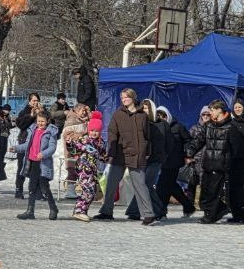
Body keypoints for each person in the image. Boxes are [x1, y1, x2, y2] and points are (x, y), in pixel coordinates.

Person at [96, 88, 154, 223]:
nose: (124, 100)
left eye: (126, 97)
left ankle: (148, 214)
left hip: (137, 154)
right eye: (122, 98)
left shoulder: (142, 116)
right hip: (120, 154)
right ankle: (106, 211)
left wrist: (147, 151)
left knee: (140, 185)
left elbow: (147, 136)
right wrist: (111, 153)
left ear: (133, 97)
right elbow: (112, 134)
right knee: (111, 184)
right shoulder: (118, 115)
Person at [15, 108, 60, 220]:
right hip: (32, 162)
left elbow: (52, 147)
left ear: (48, 121)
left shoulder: (50, 132)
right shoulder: (33, 130)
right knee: (32, 186)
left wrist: (43, 154)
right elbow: (27, 145)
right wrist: (16, 148)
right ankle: (30, 211)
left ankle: (53, 208)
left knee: (44, 187)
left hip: (43, 164)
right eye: (38, 121)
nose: (40, 123)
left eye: (42, 121)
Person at [67, 110, 106, 221]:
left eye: (96, 131)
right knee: (88, 190)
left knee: (92, 191)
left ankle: (83, 210)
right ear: (89, 130)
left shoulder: (100, 142)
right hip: (83, 168)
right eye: (92, 130)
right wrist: (69, 143)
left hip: (93, 169)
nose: (94, 133)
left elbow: (102, 155)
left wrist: (110, 158)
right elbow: (74, 151)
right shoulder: (84, 140)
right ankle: (79, 211)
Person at [155, 106, 193, 216]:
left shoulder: (178, 127)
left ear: (168, 116)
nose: (162, 118)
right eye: (159, 116)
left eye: (164, 116)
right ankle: (188, 206)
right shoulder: (158, 127)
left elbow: (188, 141)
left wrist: (187, 154)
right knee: (170, 185)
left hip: (175, 161)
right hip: (163, 160)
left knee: (163, 186)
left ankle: (161, 210)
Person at [13, 93, 43, 199]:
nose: (35, 103)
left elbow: (49, 122)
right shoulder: (25, 111)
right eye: (33, 100)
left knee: (37, 168)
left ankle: (37, 191)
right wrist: (31, 116)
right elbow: (20, 124)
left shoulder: (42, 111)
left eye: (37, 100)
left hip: (38, 143)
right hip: (25, 140)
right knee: (22, 167)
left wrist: (42, 113)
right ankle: (18, 190)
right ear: (29, 101)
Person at [0, 103, 12, 184]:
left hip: (5, 137)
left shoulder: (7, 117)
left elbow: (9, 126)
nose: (7, 112)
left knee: (2, 153)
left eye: (8, 111)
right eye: (6, 110)